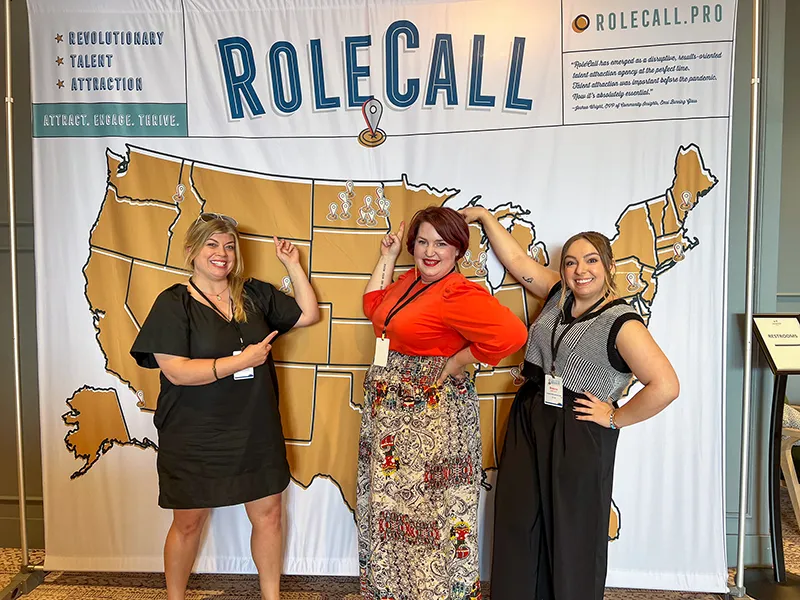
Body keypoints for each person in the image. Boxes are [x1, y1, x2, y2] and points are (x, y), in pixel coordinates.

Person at [461, 206, 680, 600]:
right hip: (531, 415)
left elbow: (665, 385)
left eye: (592, 260)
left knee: (573, 533)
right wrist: (483, 218)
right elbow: (516, 261)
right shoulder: (560, 294)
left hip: (579, 427)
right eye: (571, 262)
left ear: (609, 266)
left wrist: (615, 417)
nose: (581, 270)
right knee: (519, 521)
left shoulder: (622, 322)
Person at [130, 213, 319, 600]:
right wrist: (241, 361)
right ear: (191, 251)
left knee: (268, 516)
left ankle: (271, 596)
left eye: (229, 246)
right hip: (195, 433)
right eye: (212, 245)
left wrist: (293, 265)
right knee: (188, 523)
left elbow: (308, 314)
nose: (222, 253)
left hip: (254, 428)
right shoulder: (173, 302)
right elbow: (177, 371)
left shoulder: (253, 293)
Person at [357, 206, 528, 600]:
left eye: (441, 243)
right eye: (422, 242)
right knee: (389, 510)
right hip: (390, 419)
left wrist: (456, 361)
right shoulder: (411, 281)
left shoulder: (456, 292)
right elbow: (374, 308)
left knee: (427, 515)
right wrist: (387, 255)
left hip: (429, 423)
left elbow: (512, 335)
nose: (430, 251)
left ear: (458, 251)